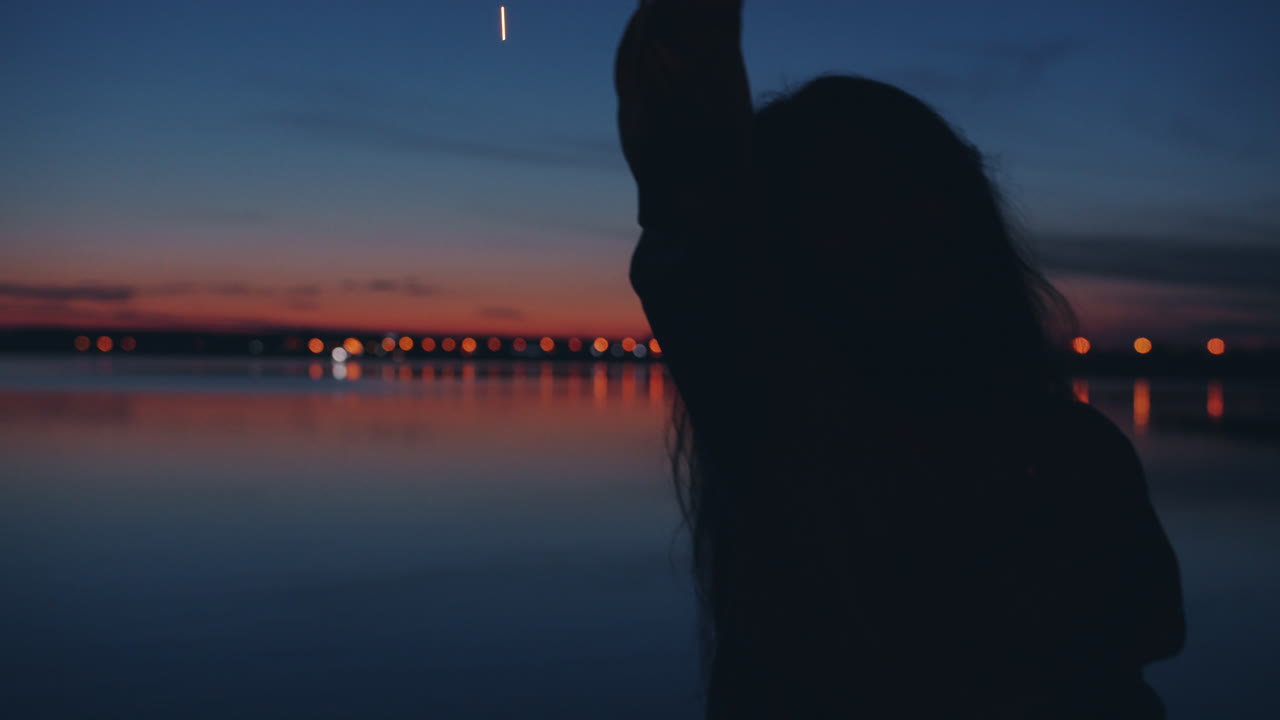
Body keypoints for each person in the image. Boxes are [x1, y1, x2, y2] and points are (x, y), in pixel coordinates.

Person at [614, 1, 1186, 718]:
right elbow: (687, 178)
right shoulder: (782, 425)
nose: (894, 237)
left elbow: (1146, 636)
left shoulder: (1070, 450)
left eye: (910, 201)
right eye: (845, 208)